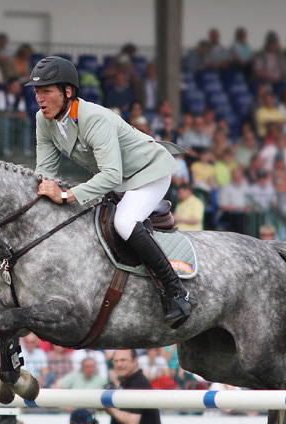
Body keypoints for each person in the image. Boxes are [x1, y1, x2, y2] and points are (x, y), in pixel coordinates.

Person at [26, 56, 197, 328]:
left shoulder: (94, 118)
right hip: (117, 180)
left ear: (67, 92)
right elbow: (45, 173)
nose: (39, 98)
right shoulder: (43, 120)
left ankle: (176, 291)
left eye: (46, 91)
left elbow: (111, 174)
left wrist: (67, 195)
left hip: (148, 171)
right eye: (36, 92)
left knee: (124, 222)